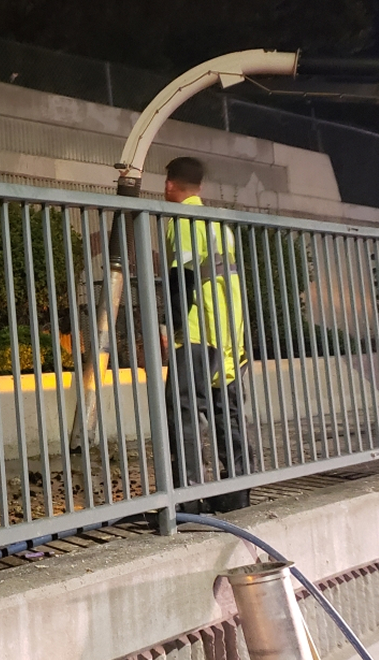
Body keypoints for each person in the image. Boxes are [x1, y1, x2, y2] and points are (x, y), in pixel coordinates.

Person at [161, 157, 250, 514]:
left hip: (199, 329)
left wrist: (173, 327)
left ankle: (188, 496)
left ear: (170, 185)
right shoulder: (219, 224)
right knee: (224, 410)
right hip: (229, 329)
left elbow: (181, 279)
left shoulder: (183, 220)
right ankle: (237, 490)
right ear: (200, 186)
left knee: (181, 406)